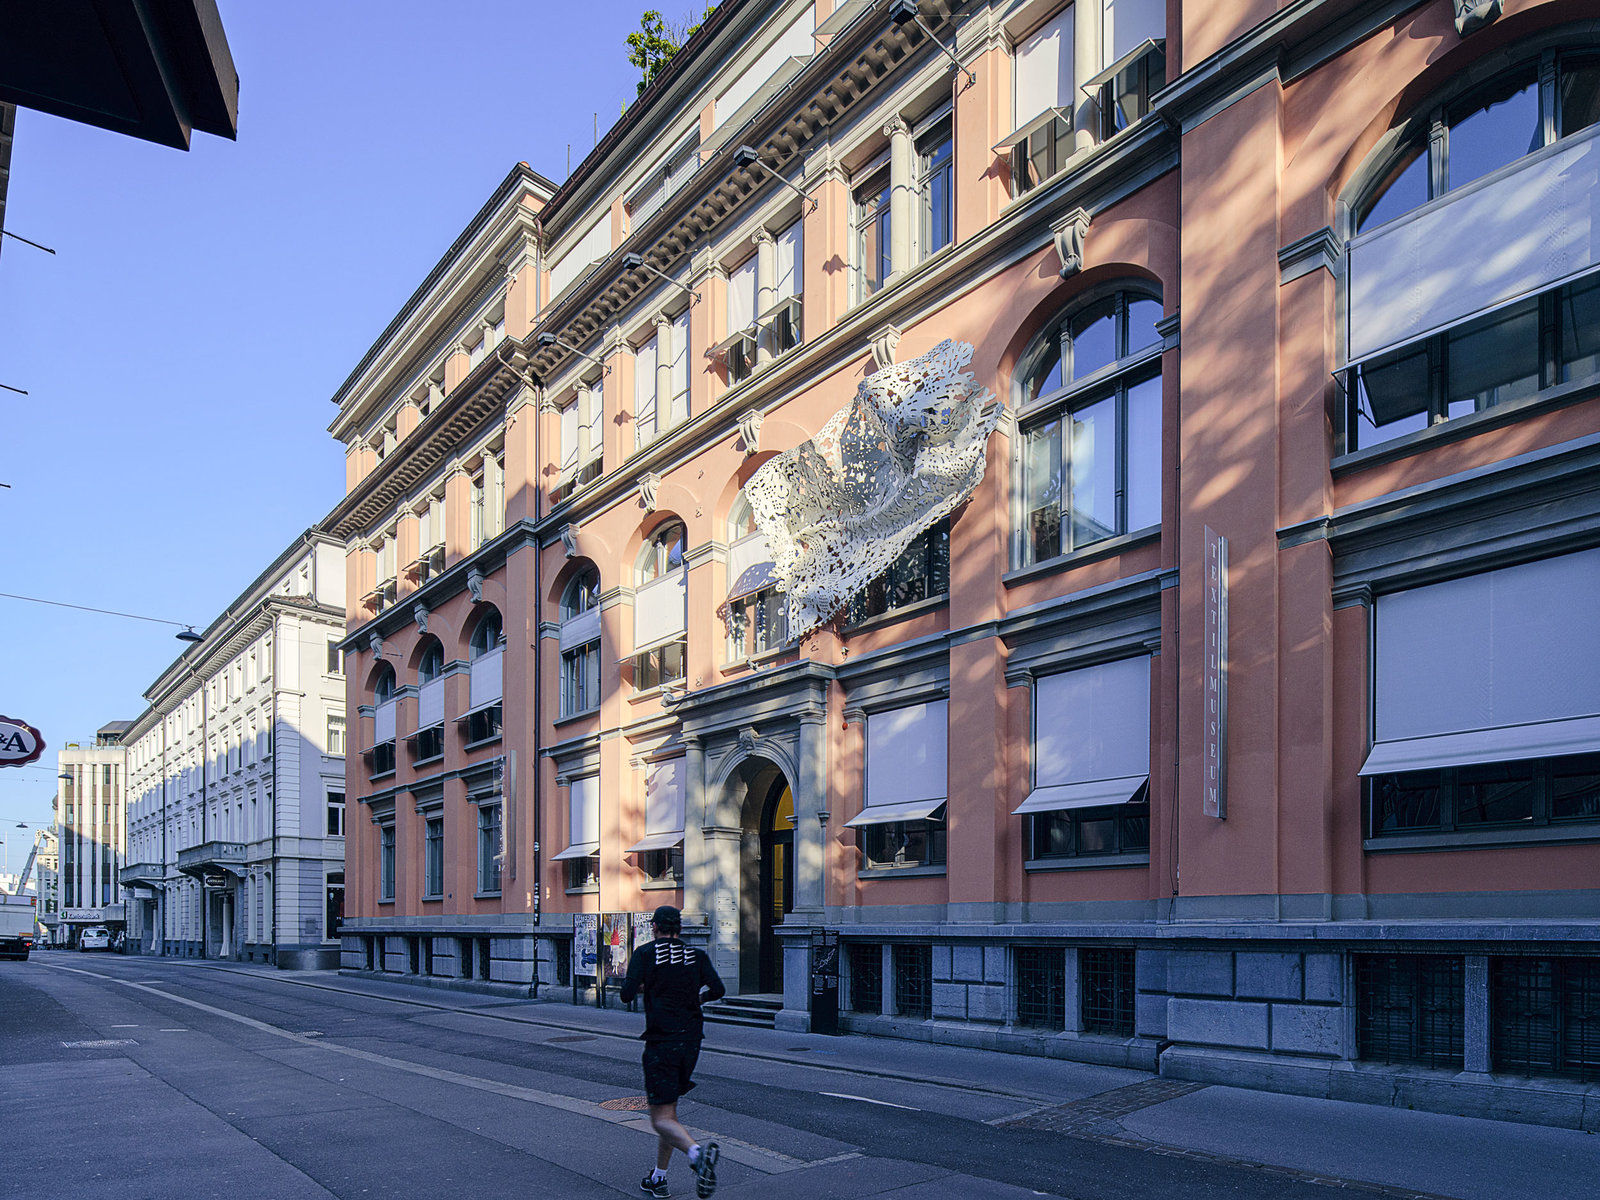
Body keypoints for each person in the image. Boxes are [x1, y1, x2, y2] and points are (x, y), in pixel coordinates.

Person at [619, 904, 725, 1198]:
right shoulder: (696, 955)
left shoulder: (645, 953)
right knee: (669, 1111)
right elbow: (718, 990)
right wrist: (697, 1000)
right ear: (679, 928)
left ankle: (697, 1156)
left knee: (659, 1119)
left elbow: (626, 994)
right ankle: (658, 1177)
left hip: (662, 1041)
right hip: (691, 1041)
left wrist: (645, 986)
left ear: (654, 927)